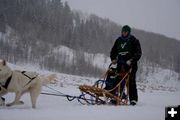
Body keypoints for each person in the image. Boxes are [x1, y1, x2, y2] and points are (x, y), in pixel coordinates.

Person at [110, 25, 142, 105]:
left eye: (125, 32)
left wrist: (131, 60)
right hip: (120, 64)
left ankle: (133, 99)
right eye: (123, 31)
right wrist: (113, 59)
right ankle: (116, 96)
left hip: (131, 65)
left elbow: (138, 53)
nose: (124, 33)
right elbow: (113, 51)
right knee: (118, 79)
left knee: (130, 81)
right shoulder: (118, 40)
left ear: (128, 32)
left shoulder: (134, 40)